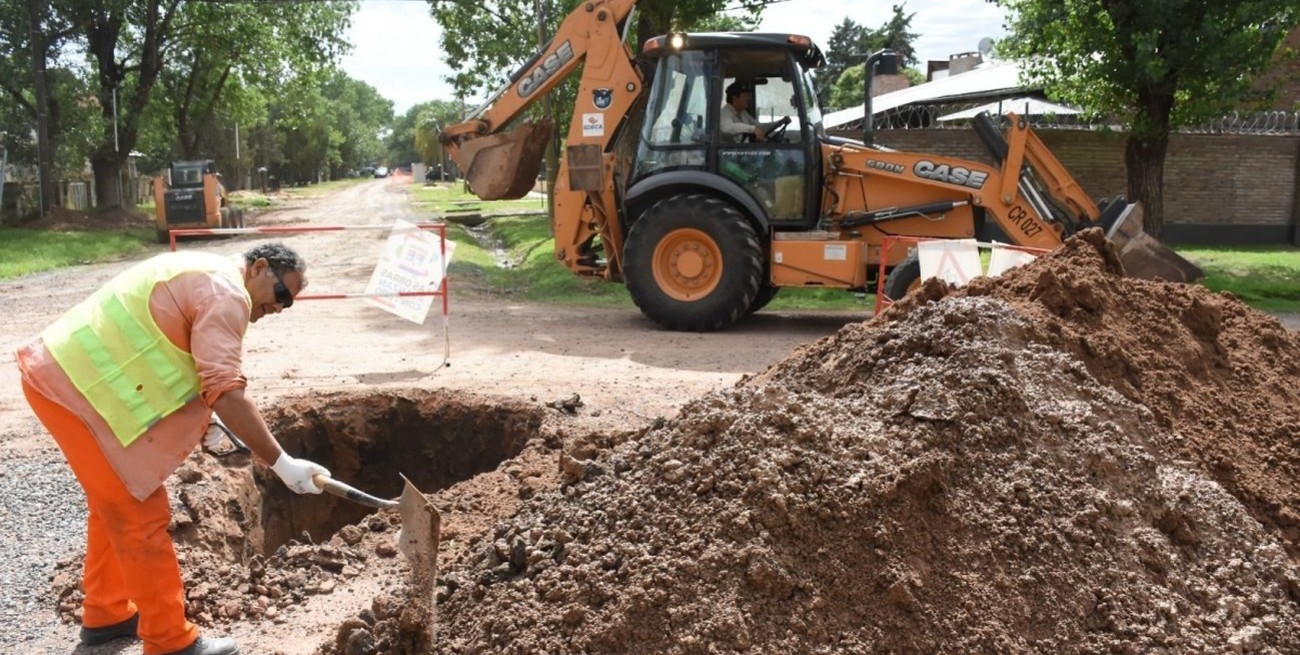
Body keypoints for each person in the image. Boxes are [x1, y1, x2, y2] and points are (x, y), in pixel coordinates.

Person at [16, 243, 332, 655]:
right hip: (72, 391)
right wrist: (281, 462)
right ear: (259, 267)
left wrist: (207, 425)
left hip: (62, 380)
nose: (280, 308)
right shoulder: (228, 295)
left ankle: (107, 613)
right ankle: (170, 640)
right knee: (140, 509)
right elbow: (224, 388)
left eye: (288, 304)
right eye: (282, 295)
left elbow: (169, 359)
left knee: (113, 501)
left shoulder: (203, 272)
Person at [720, 80, 789, 143]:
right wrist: (752, 129)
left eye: (748, 95)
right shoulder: (725, 113)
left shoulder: (743, 113)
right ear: (734, 97)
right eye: (745, 95)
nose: (748, 98)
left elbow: (759, 127)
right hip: (729, 154)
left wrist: (778, 123)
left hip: (745, 152)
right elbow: (726, 129)